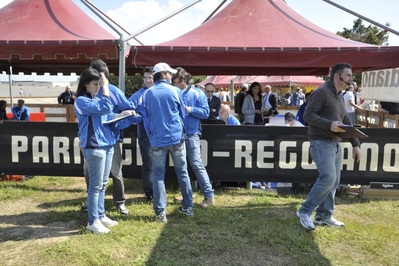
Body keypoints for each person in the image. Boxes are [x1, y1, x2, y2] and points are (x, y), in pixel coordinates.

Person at [296, 62, 361, 230]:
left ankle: (324, 216)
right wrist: (329, 125)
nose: (351, 79)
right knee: (329, 178)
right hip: (320, 142)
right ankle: (305, 211)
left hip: (335, 144)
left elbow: (346, 119)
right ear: (337, 76)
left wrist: (355, 144)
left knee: (334, 181)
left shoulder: (339, 94)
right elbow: (308, 115)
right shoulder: (322, 92)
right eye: (348, 76)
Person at [74, 68, 135, 234]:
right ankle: (92, 221)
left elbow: (107, 117)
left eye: (100, 84)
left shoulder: (95, 99)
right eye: (96, 84)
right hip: (94, 147)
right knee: (95, 187)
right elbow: (106, 107)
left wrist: (122, 114)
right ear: (86, 84)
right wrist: (106, 86)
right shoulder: (81, 101)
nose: (99, 87)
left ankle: (100, 215)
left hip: (106, 145)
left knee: (101, 185)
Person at [141, 62, 193, 223]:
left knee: (158, 175)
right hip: (176, 138)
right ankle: (188, 207)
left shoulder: (148, 94)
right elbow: (182, 114)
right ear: (163, 74)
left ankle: (160, 213)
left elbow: (147, 117)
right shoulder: (176, 91)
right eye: (170, 74)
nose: (172, 76)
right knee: (182, 172)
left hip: (157, 140)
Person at [172, 67, 215, 208]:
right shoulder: (173, 93)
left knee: (196, 164)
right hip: (177, 134)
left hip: (191, 133)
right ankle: (186, 194)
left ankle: (209, 196)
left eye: (179, 82)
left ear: (186, 80)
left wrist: (190, 110)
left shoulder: (197, 93)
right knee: (181, 166)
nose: (177, 84)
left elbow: (205, 113)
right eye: (175, 82)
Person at [129, 66, 154, 201]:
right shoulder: (137, 95)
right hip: (145, 135)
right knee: (149, 164)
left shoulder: (160, 92)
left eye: (150, 77)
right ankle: (149, 192)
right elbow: (128, 112)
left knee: (159, 164)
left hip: (161, 134)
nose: (147, 80)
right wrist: (141, 118)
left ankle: (159, 190)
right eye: (145, 78)